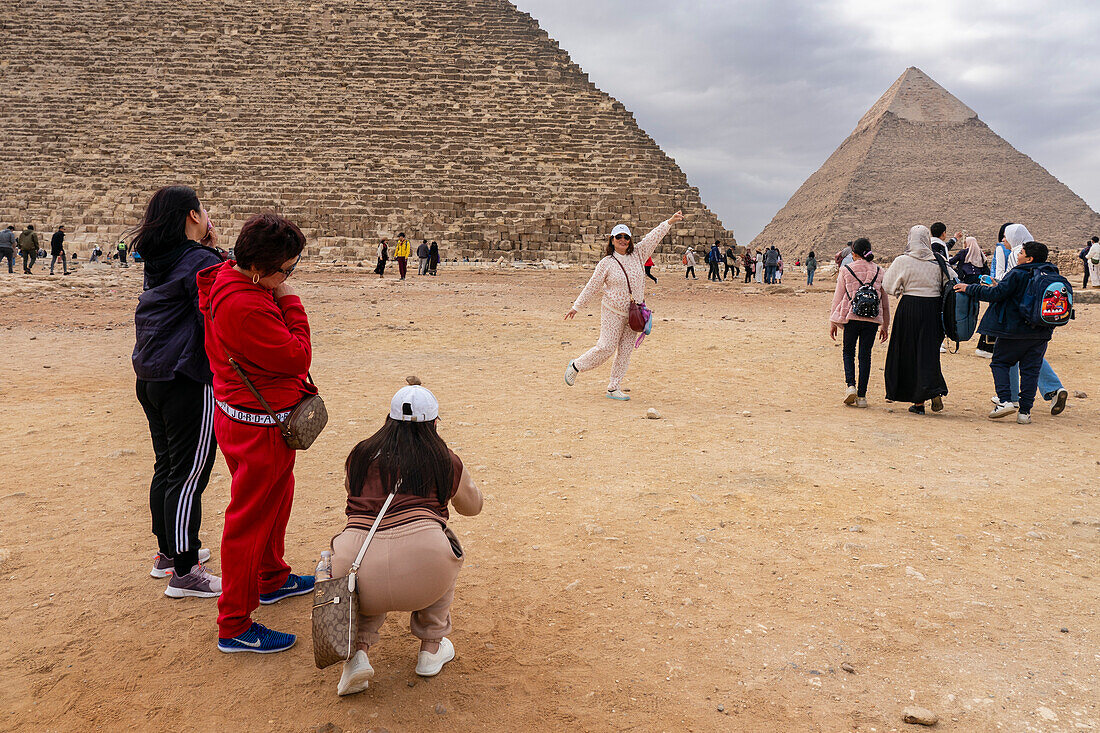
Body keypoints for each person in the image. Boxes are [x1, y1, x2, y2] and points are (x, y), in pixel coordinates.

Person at [198, 213, 315, 654]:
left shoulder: (231, 278)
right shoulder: (246, 304)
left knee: (276, 500)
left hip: (246, 417)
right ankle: (235, 625)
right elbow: (296, 355)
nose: (289, 277)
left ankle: (272, 577)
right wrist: (291, 300)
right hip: (259, 429)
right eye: (287, 269)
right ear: (261, 269)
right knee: (248, 521)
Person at [330, 385, 484, 696]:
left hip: (355, 566)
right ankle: (431, 647)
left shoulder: (359, 455)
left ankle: (357, 653)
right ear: (434, 423)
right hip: (423, 570)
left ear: (389, 420)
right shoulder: (444, 460)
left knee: (367, 567)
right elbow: (473, 507)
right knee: (447, 548)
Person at [131, 186, 225, 595]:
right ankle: (186, 572)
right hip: (187, 376)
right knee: (189, 474)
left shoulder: (158, 260)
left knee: (167, 466)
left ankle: (168, 552)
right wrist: (214, 251)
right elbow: (223, 300)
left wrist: (207, 247)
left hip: (150, 376)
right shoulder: (201, 260)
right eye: (203, 210)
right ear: (191, 215)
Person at [564, 212, 684, 401]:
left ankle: (613, 387)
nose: (622, 240)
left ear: (630, 240)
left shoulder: (639, 254)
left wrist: (669, 222)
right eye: (618, 237)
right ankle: (576, 365)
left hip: (634, 313)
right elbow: (592, 285)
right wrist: (577, 306)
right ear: (612, 240)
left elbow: (653, 236)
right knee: (606, 347)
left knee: (625, 352)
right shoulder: (606, 263)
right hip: (612, 311)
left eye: (626, 237)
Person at [956, 240, 1060, 424]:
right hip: (1041, 331)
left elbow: (996, 295)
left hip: (1014, 330)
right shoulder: (1051, 273)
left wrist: (969, 288)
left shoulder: (1018, 274)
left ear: (1029, 258)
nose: (1018, 255)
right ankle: (1025, 413)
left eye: (1022, 253)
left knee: (1000, 362)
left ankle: (1005, 401)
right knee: (1030, 370)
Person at [984, 224, 1070, 415]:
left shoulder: (1016, 255)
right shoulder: (1041, 260)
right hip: (1040, 320)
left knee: (1009, 355)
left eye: (1005, 238)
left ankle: (1012, 398)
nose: (1003, 241)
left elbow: (1007, 282)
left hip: (1016, 316)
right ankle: (1051, 389)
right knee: (1031, 358)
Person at [883, 225, 951, 415]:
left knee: (908, 353)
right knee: (928, 352)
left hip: (910, 308)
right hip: (933, 309)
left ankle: (918, 403)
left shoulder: (903, 260)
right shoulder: (938, 260)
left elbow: (888, 285)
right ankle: (933, 388)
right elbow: (952, 280)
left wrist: (902, 289)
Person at [829, 238, 890, 407]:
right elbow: (884, 301)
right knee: (865, 355)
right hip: (872, 319)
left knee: (848, 352)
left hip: (851, 317)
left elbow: (838, 297)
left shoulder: (846, 269)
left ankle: (850, 387)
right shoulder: (880, 271)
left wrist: (833, 321)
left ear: (853, 253)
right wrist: (885, 325)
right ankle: (862, 396)